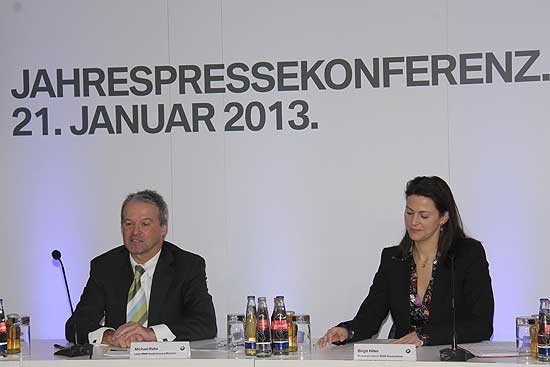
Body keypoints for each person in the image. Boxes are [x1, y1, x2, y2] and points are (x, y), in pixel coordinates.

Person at [318, 176, 494, 348]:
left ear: (444, 217)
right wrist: (347, 331)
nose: (413, 222)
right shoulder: (393, 258)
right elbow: (370, 316)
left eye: (423, 216)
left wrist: (425, 336)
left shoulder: (467, 254)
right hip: (403, 359)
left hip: (449, 359)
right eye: (409, 213)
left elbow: (481, 325)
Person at [65, 190, 217, 347]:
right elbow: (75, 326)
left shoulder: (187, 266)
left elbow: (206, 324)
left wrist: (150, 334)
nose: (135, 232)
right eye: (128, 224)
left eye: (145, 224)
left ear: (163, 228)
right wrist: (110, 336)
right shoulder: (105, 267)